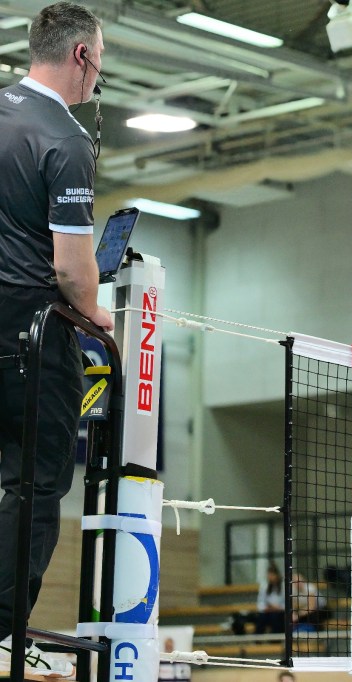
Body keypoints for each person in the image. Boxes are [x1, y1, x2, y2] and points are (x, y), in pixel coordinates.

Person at [0, 3, 114, 679]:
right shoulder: (64, 138)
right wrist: (96, 312)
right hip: (30, 339)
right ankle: (3, 634)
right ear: (81, 56)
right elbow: (72, 269)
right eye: (101, 59)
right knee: (36, 485)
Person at [232, 563, 286, 635]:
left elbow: (287, 604)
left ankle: (275, 640)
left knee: (276, 617)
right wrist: (266, 608)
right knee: (261, 618)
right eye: (269, 575)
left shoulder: (283, 586)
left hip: (280, 613)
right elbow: (260, 603)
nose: (270, 577)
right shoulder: (265, 586)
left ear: (276, 575)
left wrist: (277, 608)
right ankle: (257, 639)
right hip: (267, 612)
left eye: (272, 575)